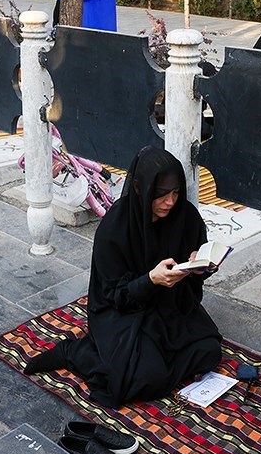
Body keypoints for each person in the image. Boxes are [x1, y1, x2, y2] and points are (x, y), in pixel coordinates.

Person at [24, 146, 223, 409]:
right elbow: (113, 296)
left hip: (170, 306)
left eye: (176, 193)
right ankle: (77, 353)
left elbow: (194, 266)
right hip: (125, 312)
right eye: (162, 194)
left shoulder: (185, 217)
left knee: (210, 351)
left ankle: (147, 362)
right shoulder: (115, 227)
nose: (170, 202)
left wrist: (201, 266)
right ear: (141, 188)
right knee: (148, 380)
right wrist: (150, 280)